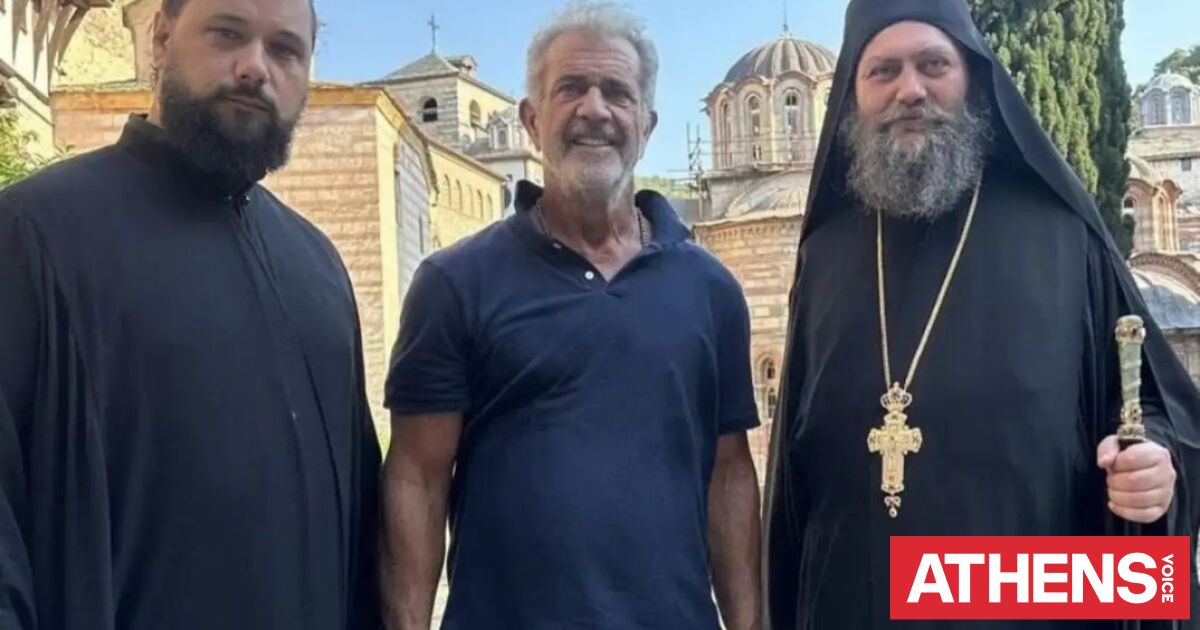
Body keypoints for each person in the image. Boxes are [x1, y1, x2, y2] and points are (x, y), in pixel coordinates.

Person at [763, 0, 1200, 628]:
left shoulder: (1061, 238)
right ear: (851, 96)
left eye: (933, 65)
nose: (910, 90)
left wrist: (1155, 463)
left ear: (973, 77)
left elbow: (1154, 407)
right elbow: (792, 483)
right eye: (883, 71)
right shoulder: (824, 257)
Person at [0, 0, 381, 628]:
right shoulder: (34, 233)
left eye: (286, 50)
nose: (255, 67)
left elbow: (361, 529)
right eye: (227, 34)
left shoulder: (317, 267)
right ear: (160, 39)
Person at [380, 3, 762, 629]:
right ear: (532, 120)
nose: (595, 109)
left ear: (647, 125)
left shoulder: (710, 289)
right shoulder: (454, 283)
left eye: (618, 92)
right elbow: (417, 478)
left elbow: (729, 475)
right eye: (571, 88)